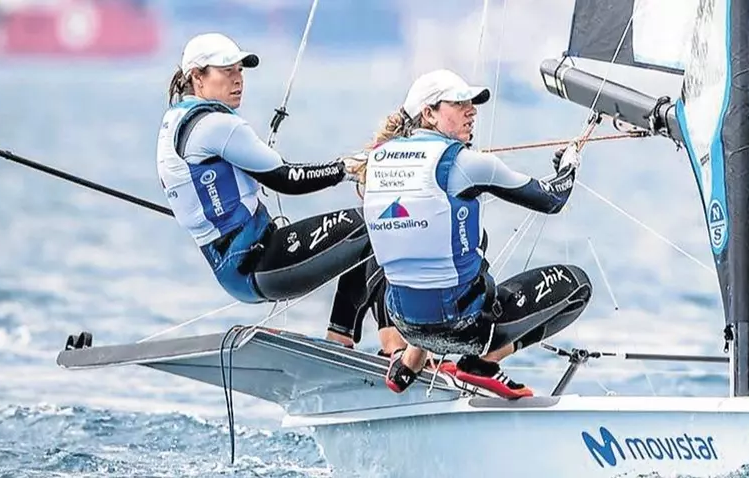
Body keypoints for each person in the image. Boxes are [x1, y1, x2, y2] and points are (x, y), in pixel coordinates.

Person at [155, 32, 405, 355]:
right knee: (376, 225)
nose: (237, 79)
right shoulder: (216, 125)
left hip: (234, 267)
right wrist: (347, 168)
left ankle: (341, 340)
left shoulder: (174, 120)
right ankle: (392, 349)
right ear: (197, 77)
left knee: (363, 235)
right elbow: (287, 179)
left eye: (240, 70)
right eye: (226, 71)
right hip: (258, 263)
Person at [361, 69, 594, 400]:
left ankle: (409, 360)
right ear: (429, 114)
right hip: (461, 326)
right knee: (578, 284)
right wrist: (569, 166)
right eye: (459, 104)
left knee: (428, 233)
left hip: (402, 320)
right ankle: (482, 364)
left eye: (471, 104)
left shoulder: (377, 157)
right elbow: (551, 199)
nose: (471, 111)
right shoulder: (468, 163)